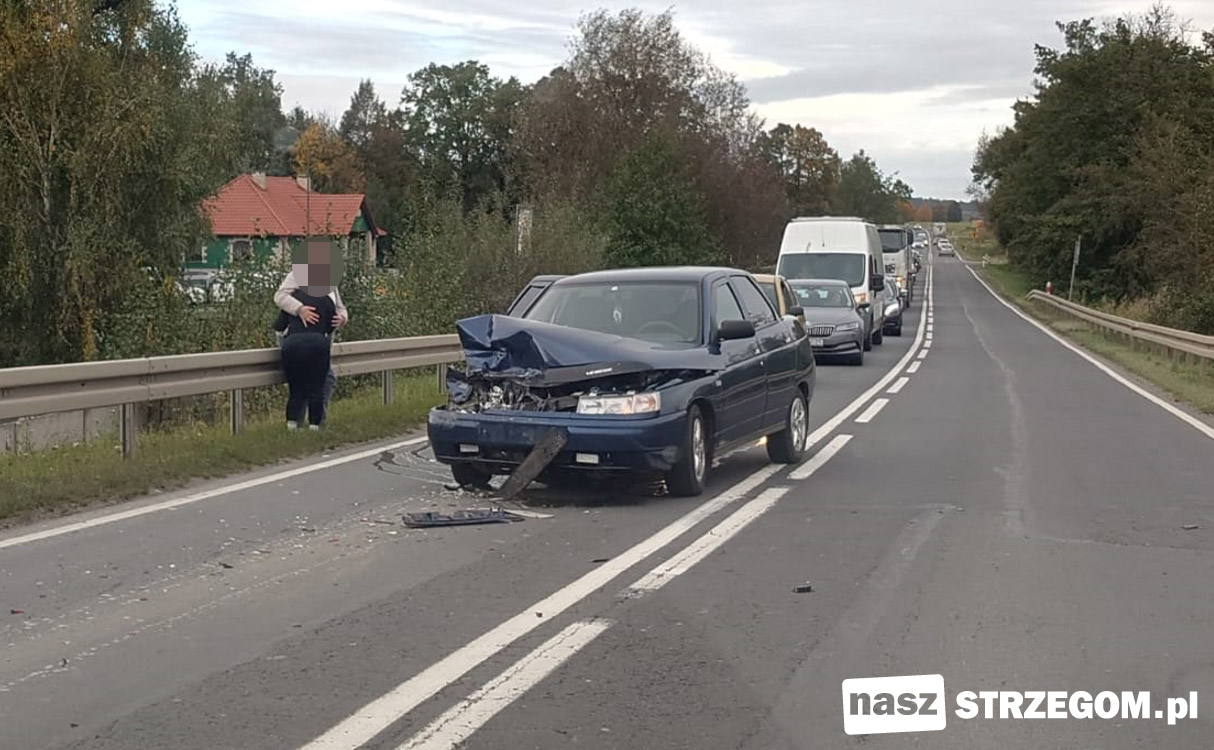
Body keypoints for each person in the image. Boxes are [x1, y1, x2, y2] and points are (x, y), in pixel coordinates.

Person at [274, 247, 349, 417]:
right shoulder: (297, 275)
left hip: (322, 336)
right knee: (308, 380)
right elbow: (280, 297)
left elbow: (340, 307)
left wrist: (342, 318)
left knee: (326, 380)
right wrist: (300, 309)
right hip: (296, 335)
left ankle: (315, 420)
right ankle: (305, 422)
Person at [280, 261, 338, 430]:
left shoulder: (292, 301)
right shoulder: (327, 299)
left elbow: (278, 325)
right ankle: (315, 426)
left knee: (295, 387)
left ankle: (292, 425)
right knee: (317, 387)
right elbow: (331, 325)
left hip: (292, 344)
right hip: (317, 344)